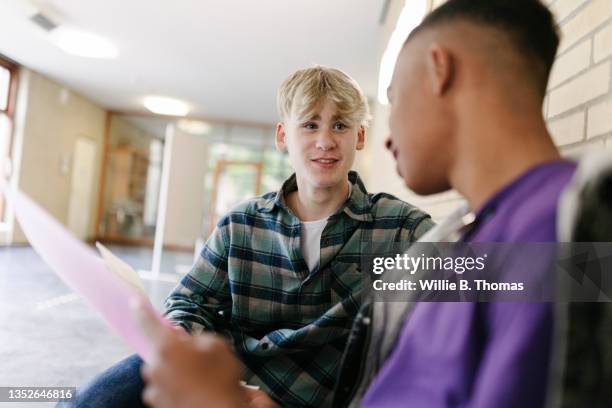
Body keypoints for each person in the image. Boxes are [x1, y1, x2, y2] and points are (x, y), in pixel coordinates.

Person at [131, 0, 583, 407]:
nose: (386, 137)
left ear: (437, 71)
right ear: (284, 136)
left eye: (394, 99)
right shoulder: (472, 244)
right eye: (309, 126)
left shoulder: (535, 241)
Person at [72, 66, 432, 408]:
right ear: (282, 136)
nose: (325, 141)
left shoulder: (402, 229)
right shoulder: (240, 224)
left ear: (360, 136)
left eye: (340, 125)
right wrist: (184, 344)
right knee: (112, 389)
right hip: (228, 384)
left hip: (318, 398)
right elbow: (189, 303)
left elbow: (485, 282)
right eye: (309, 125)